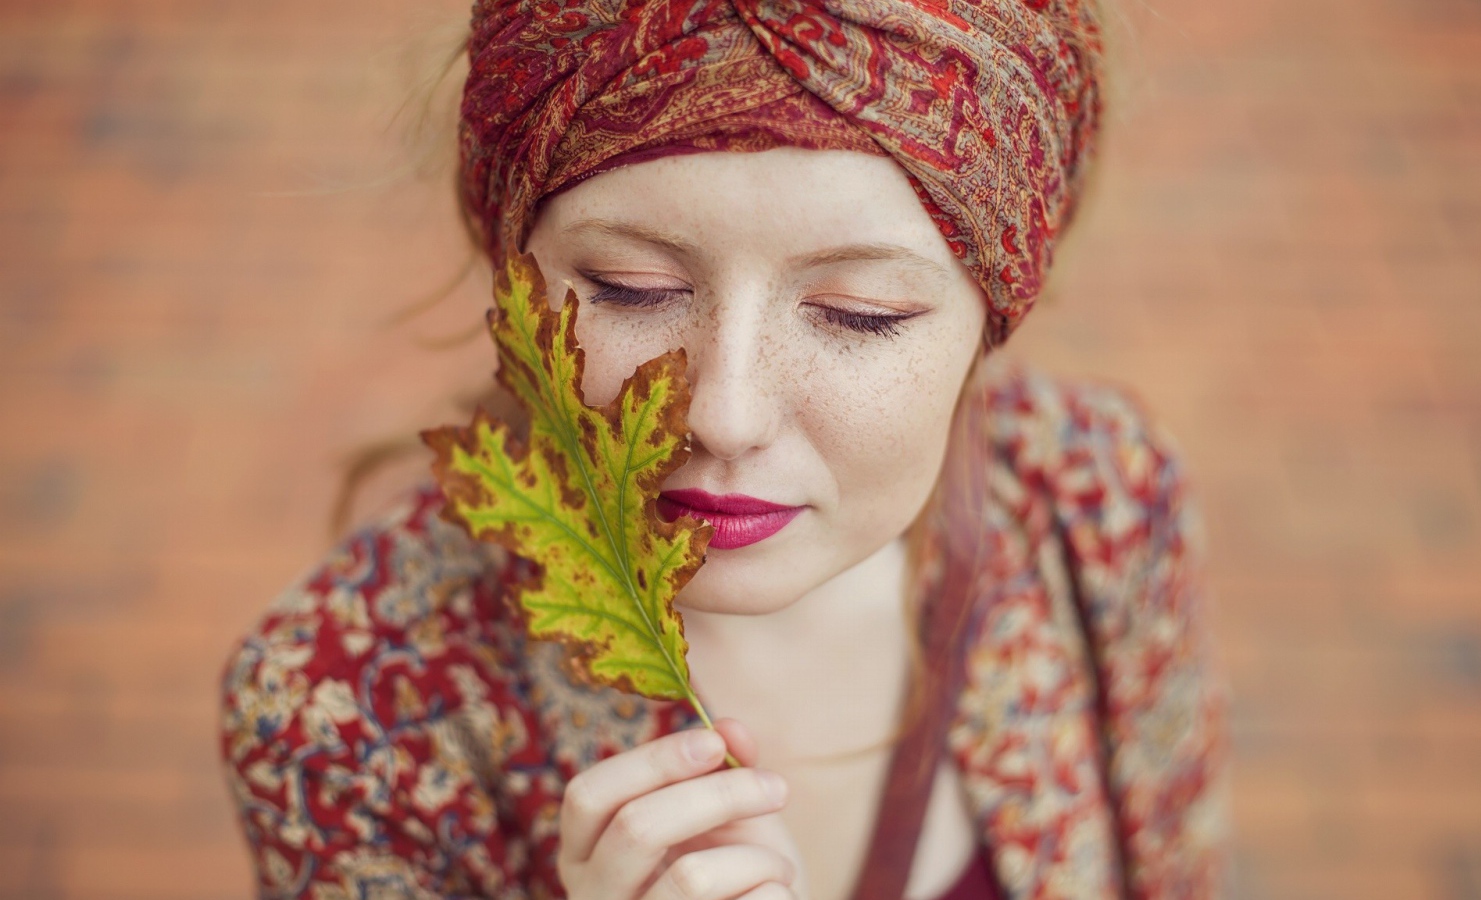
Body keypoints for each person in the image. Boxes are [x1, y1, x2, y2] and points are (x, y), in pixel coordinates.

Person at [219, 1, 1229, 898]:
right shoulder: (342, 705)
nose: (725, 413)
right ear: (513, 273)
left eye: (857, 313)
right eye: (630, 288)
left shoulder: (1093, 500)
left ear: (993, 313)